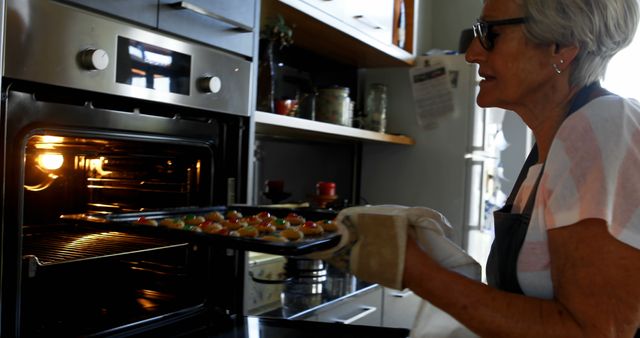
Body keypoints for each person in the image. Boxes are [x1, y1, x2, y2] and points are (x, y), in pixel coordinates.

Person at [401, 0, 640, 336]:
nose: (472, 53)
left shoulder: (602, 127)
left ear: (562, 46)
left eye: (491, 33)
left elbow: (596, 331)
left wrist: (417, 271)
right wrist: (436, 261)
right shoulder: (554, 142)